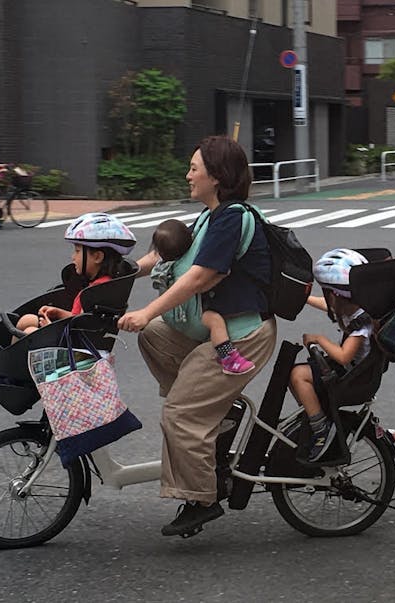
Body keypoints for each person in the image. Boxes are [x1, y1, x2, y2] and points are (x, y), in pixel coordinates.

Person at [118, 135, 277, 538]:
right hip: (209, 333)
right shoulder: (207, 217)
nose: (187, 175)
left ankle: (200, 499)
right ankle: (215, 413)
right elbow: (163, 257)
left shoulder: (232, 217)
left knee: (180, 413)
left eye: (194, 168)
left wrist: (146, 309)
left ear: (217, 176)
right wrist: (112, 274)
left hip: (237, 340)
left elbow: (200, 276)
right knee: (153, 335)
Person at [289, 248, 373, 463]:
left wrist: (320, 339)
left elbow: (344, 356)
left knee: (299, 375)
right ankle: (314, 413)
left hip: (351, 376)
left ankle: (320, 428)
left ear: (336, 295)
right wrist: (305, 298)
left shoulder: (360, 324)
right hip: (352, 371)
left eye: (326, 292)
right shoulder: (353, 308)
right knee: (293, 374)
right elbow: (327, 305)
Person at [149, 219, 255, 375]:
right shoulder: (188, 267)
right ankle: (228, 358)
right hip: (195, 319)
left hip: (172, 318)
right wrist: (220, 276)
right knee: (214, 320)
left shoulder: (161, 268)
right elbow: (201, 284)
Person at [15, 213, 136, 336]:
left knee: (29, 332)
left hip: (78, 348)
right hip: (73, 336)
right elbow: (79, 319)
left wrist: (50, 328)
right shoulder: (96, 285)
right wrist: (58, 313)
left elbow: (85, 331)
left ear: (97, 257)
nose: (73, 257)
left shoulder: (99, 292)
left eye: (77, 251)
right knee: (27, 320)